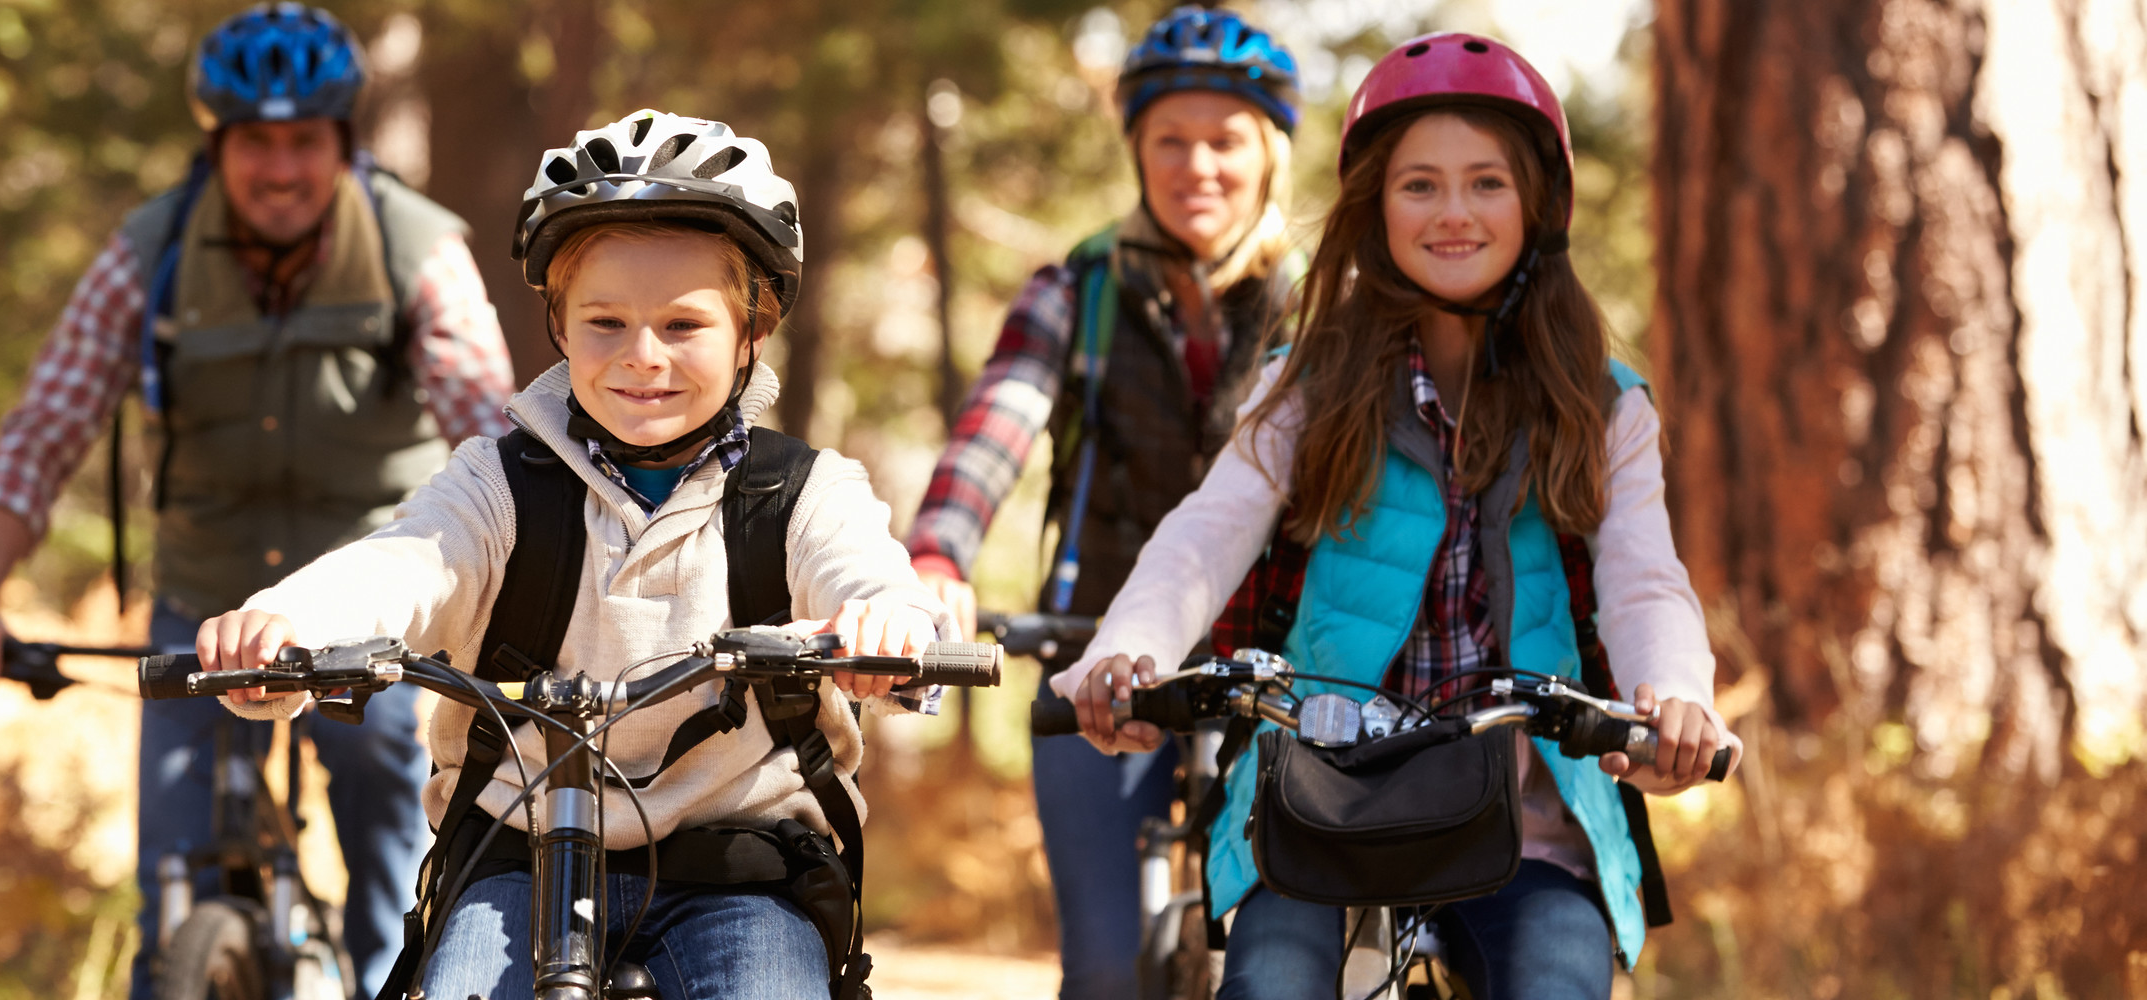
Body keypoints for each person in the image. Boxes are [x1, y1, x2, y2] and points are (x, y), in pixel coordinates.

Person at [195, 109, 950, 1000]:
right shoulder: (499, 482)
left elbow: (870, 577)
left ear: (753, 330)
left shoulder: (801, 494)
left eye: (683, 326)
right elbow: (405, 561)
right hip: (516, 860)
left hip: (742, 867)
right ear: (557, 324)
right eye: (605, 323)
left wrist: (892, 628)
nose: (643, 358)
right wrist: (288, 623)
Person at [1056, 32, 1743, 1000]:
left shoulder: (1602, 402)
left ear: (1537, 203)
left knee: (1558, 983)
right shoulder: (1309, 381)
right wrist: (1125, 649)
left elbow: (1643, 578)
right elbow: (1207, 532)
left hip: (1526, 814)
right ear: (1375, 208)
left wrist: (1673, 695)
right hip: (1314, 805)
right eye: (1419, 185)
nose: (1453, 212)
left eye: (1487, 183)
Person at [0, 5, 514, 996]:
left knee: (397, 859)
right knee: (172, 901)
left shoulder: (417, 247)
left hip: (360, 606)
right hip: (199, 600)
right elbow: (45, 426)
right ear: (217, 145)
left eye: (303, 142)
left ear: (343, 143)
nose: (279, 169)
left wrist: (520, 595)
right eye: (255, 143)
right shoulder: (150, 253)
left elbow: (492, 431)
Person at [900, 8, 1300, 997]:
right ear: (1135, 150)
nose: (1196, 165)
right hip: (1094, 653)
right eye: (1170, 139)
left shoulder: (1321, 301)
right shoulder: (1077, 289)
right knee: (1106, 967)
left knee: (1284, 959)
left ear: (1272, 155)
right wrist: (938, 556)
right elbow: (996, 424)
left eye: (1225, 141)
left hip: (1282, 664)